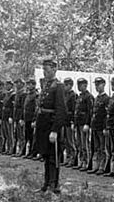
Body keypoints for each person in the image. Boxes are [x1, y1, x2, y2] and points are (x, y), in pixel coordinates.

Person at [35, 59, 66, 194]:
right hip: (43, 123)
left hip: (51, 124)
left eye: (47, 70)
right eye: (43, 70)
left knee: (53, 157)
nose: (45, 72)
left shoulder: (58, 86)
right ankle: (46, 184)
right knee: (46, 156)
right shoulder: (46, 86)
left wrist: (55, 130)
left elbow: (61, 110)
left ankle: (54, 186)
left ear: (54, 69)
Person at [88, 77, 110, 174]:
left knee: (102, 148)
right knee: (96, 148)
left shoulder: (106, 99)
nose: (97, 87)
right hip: (95, 126)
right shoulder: (97, 98)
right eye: (96, 85)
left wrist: (105, 127)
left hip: (101, 127)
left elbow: (106, 115)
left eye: (99, 84)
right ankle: (96, 165)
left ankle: (102, 166)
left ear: (104, 85)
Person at [74, 78, 94, 170]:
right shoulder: (79, 96)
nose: (79, 87)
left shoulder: (88, 96)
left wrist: (87, 123)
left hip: (84, 123)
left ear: (85, 85)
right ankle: (81, 160)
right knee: (79, 143)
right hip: (78, 122)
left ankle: (86, 161)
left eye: (81, 85)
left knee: (84, 143)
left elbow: (90, 111)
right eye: (78, 85)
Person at [62, 78, 77, 167]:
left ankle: (73, 158)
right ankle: (67, 157)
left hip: (69, 120)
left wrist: (72, 121)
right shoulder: (65, 95)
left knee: (70, 141)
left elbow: (73, 109)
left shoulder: (73, 95)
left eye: (66, 85)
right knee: (66, 141)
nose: (64, 87)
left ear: (70, 85)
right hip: (64, 120)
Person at [22, 78, 38, 159]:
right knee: (27, 136)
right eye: (27, 84)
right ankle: (29, 152)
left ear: (34, 85)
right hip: (27, 118)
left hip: (31, 118)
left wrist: (34, 120)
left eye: (30, 84)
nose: (28, 86)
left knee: (32, 136)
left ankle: (33, 152)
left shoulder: (35, 94)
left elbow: (36, 108)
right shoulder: (28, 94)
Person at [13, 79, 27, 156]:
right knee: (17, 134)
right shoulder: (17, 94)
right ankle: (19, 149)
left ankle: (22, 150)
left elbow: (23, 107)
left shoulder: (23, 94)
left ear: (22, 84)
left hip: (20, 116)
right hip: (16, 116)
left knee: (22, 135)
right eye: (16, 83)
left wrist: (22, 118)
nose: (17, 85)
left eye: (19, 83)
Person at [2, 80, 15, 155]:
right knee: (6, 133)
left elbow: (13, 107)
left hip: (9, 115)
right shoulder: (6, 94)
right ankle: (8, 148)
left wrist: (11, 116)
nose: (7, 86)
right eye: (6, 85)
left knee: (10, 133)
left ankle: (11, 148)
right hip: (4, 115)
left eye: (8, 85)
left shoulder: (13, 95)